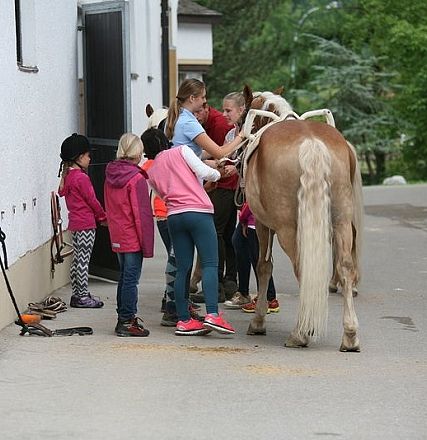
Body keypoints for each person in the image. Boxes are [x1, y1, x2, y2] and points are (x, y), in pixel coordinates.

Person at [147, 142, 235, 336]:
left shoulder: (152, 171)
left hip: (174, 216)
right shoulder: (182, 150)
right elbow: (205, 171)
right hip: (198, 212)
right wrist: (220, 174)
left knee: (182, 269)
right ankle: (212, 314)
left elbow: (163, 194)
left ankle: (184, 320)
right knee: (211, 264)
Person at [140, 128, 201, 327]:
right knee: (178, 261)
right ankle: (173, 307)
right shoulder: (162, 162)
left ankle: (175, 302)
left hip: (163, 216)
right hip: (171, 214)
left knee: (177, 260)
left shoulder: (149, 164)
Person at [104, 133, 154, 337]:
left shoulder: (110, 175)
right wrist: (147, 244)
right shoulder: (136, 179)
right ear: (138, 152)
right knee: (131, 279)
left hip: (118, 233)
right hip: (132, 236)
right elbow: (141, 215)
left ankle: (122, 318)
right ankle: (126, 320)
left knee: (124, 277)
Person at [58, 133, 106, 308]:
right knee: (84, 261)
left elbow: (61, 192)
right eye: (87, 155)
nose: (90, 158)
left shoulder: (69, 177)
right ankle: (83, 296)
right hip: (86, 224)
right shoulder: (82, 178)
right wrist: (102, 217)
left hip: (75, 224)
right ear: (79, 157)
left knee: (77, 260)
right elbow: (92, 200)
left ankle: (76, 293)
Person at [224, 202, 280, 313]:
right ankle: (245, 292)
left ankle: (268, 297)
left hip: (255, 218)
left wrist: (243, 216)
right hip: (251, 215)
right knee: (239, 242)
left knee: (258, 257)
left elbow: (254, 195)